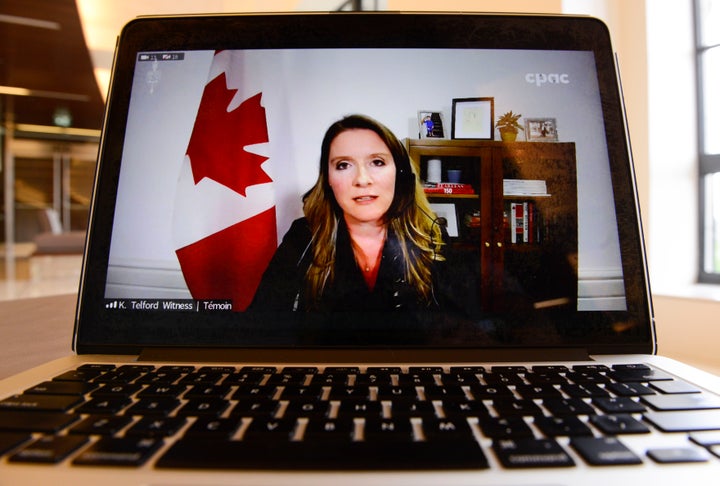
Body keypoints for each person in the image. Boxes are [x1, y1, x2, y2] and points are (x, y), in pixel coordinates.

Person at [251, 114, 467, 314]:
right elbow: (264, 325)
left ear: (400, 174)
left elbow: (458, 331)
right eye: (343, 165)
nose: (362, 179)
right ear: (328, 179)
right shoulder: (304, 236)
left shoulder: (430, 235)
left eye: (377, 162)